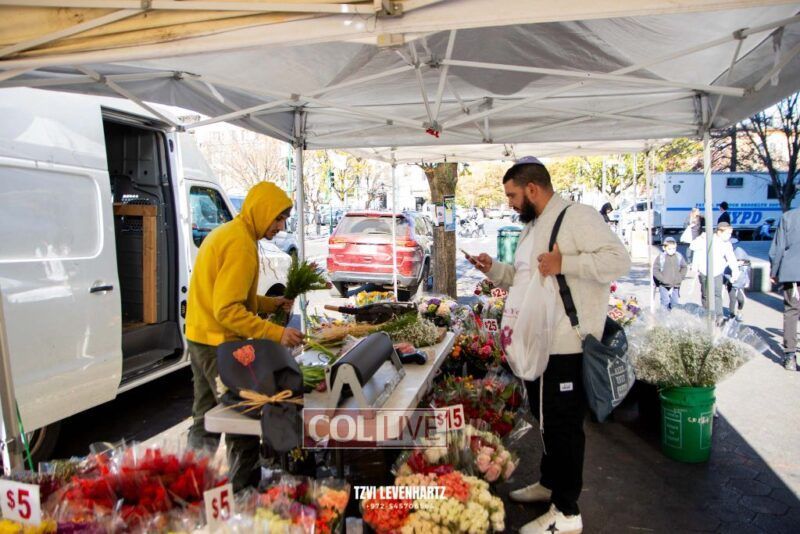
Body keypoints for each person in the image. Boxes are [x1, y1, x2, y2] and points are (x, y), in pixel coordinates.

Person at [468, 156, 630, 534]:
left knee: (564, 428)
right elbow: (524, 277)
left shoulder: (578, 216)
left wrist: (565, 263)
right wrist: (493, 269)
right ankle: (550, 483)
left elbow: (618, 261)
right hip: (539, 345)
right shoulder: (532, 226)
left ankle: (567, 512)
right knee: (546, 421)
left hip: (567, 346)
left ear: (532, 189)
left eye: (512, 195)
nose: (510, 203)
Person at [184, 182, 304, 490]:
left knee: (204, 417)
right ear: (261, 211)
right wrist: (276, 333)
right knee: (242, 419)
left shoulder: (231, 233)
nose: (281, 227)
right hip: (217, 345)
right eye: (278, 218)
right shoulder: (240, 245)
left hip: (200, 337)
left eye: (284, 219)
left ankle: (189, 487)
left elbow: (230, 297)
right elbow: (227, 310)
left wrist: (270, 304)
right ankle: (243, 492)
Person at [769, 206, 800, 371]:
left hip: (793, 272)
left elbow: (778, 247)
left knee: (791, 312)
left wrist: (774, 271)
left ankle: (790, 356)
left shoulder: (788, 217)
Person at [689, 221, 739, 318]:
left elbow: (731, 258)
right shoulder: (707, 239)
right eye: (727, 233)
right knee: (706, 295)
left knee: (717, 294)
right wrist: (701, 238)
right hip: (704, 271)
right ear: (719, 232)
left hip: (717, 272)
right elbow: (693, 246)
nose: (729, 236)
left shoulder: (727, 244)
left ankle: (719, 316)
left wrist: (735, 271)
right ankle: (706, 315)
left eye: (730, 233)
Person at [653, 237, 687, 310]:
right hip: (664, 284)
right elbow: (655, 270)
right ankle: (664, 315)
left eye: (674, 248)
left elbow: (684, 267)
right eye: (669, 249)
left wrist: (680, 277)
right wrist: (662, 279)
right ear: (664, 248)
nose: (672, 251)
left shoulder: (678, 256)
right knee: (665, 301)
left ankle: (673, 315)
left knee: (675, 303)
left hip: (676, 284)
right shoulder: (661, 257)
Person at [724, 246, 750, 322]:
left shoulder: (745, 267)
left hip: (740, 286)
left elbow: (747, 274)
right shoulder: (730, 266)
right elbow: (726, 273)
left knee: (741, 299)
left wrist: (747, 281)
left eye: (741, 260)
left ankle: (739, 311)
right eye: (738, 260)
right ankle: (731, 314)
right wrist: (730, 279)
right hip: (731, 285)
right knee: (733, 300)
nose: (740, 262)